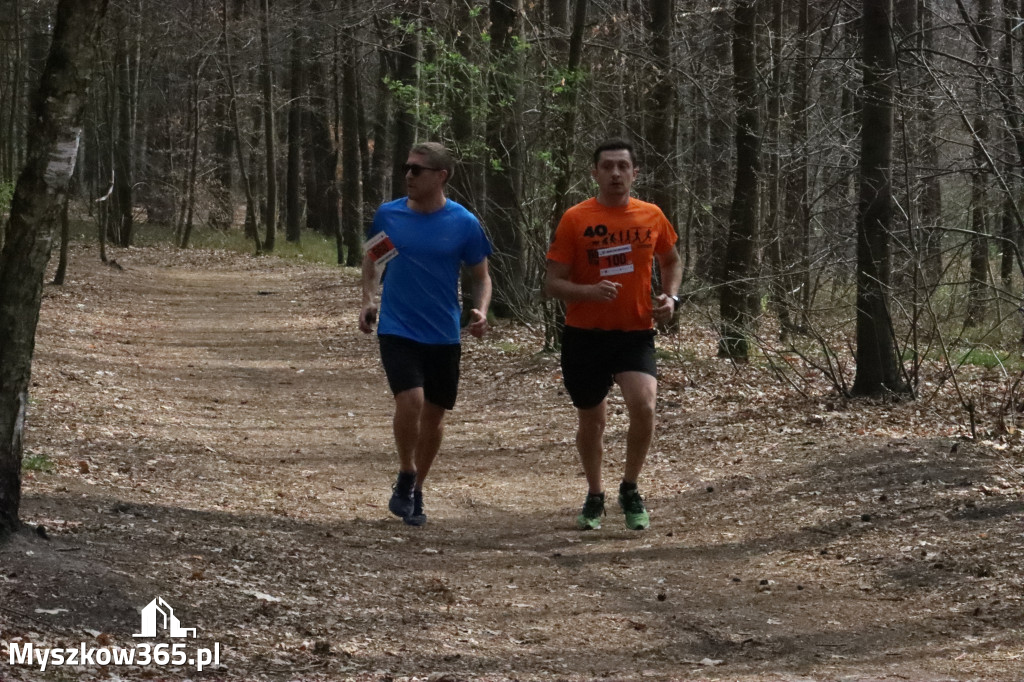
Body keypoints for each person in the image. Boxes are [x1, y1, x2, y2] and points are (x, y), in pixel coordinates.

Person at [544, 138, 682, 531]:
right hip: (584, 334)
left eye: (624, 166)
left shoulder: (651, 216)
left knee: (645, 406)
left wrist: (671, 297)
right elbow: (552, 283)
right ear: (595, 173)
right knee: (592, 421)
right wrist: (588, 292)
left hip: (634, 332)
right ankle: (594, 493)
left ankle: (631, 487)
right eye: (608, 167)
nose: (616, 173)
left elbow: (671, 259)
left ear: (635, 173)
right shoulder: (576, 218)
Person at [359, 142, 492, 526]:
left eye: (418, 169)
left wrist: (481, 309)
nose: (409, 175)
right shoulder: (391, 215)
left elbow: (481, 276)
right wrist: (369, 299)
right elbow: (373, 261)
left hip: (443, 333)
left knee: (433, 418)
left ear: (441, 176)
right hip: (398, 328)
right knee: (411, 401)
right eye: (407, 168)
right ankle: (405, 471)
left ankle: (416, 490)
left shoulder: (463, 223)